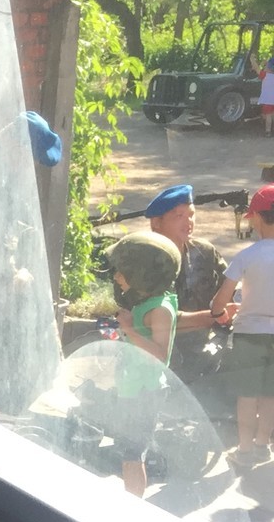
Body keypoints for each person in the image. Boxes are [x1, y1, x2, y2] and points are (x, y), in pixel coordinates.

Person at [107, 231, 185, 497]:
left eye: (123, 272)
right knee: (128, 451)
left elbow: (160, 355)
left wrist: (130, 329)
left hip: (145, 392)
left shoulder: (159, 309)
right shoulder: (146, 302)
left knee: (133, 453)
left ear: (142, 275)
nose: (117, 277)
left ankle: (134, 505)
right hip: (132, 387)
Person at [210, 184, 274, 468]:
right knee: (270, 395)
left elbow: (220, 300)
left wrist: (220, 311)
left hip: (249, 336)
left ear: (257, 217)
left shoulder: (248, 255)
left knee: (247, 395)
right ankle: (263, 446)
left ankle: (244, 451)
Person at [143, 183, 228, 320]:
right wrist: (213, 316)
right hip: (163, 332)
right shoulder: (144, 259)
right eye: (179, 216)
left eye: (191, 215)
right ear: (157, 223)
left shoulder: (205, 251)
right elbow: (150, 319)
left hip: (210, 331)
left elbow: (228, 288)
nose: (189, 222)